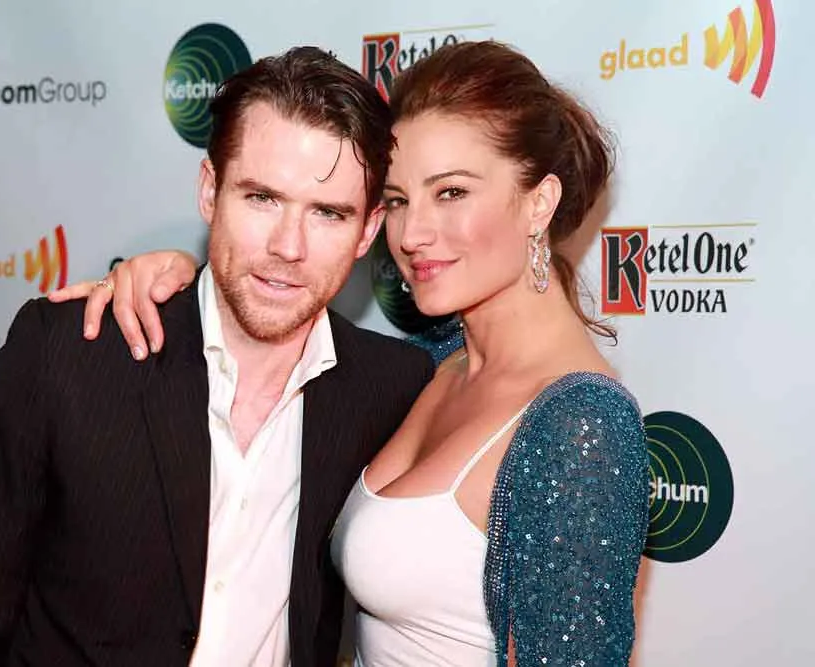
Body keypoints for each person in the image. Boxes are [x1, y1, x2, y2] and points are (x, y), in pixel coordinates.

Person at [53, 39, 651, 667]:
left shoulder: (582, 426)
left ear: (540, 202)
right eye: (397, 201)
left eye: (451, 192)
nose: (411, 234)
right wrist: (181, 282)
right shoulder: (429, 362)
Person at [0, 46, 436, 667]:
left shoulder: (391, 388)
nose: (288, 246)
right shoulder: (69, 353)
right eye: (262, 198)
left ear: (368, 231)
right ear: (210, 191)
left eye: (327, 213)